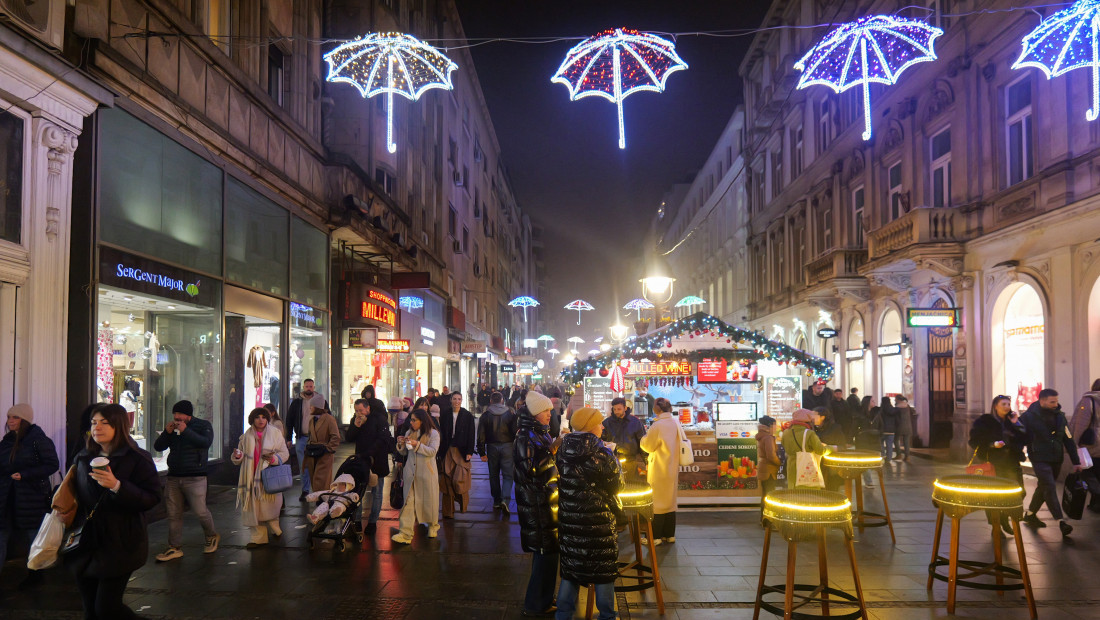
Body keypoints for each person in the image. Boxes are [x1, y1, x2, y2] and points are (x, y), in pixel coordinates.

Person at [65, 404, 161, 619]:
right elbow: (74, 493)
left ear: (119, 426)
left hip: (121, 542)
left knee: (107, 608)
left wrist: (117, 486)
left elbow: (152, 497)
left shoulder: (137, 458)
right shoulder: (83, 456)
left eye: (104, 422)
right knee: (90, 609)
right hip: (85, 541)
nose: (97, 427)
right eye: (93, 422)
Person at [555, 407, 623, 620]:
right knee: (602, 570)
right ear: (590, 426)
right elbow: (616, 486)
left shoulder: (563, 450)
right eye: (599, 423)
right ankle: (606, 615)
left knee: (571, 568)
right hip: (598, 520)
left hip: (570, 520)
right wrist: (614, 459)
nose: (602, 426)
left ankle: (563, 614)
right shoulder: (602, 454)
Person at [152, 400, 218, 562]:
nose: (177, 417)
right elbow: (158, 447)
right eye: (175, 414)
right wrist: (166, 433)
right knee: (174, 514)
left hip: (195, 476)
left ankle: (211, 536)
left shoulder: (203, 425)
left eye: (180, 414)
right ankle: (174, 547)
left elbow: (205, 442)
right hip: (174, 476)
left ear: (188, 415)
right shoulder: (173, 428)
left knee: (200, 511)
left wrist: (186, 431)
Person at [0, 404, 58, 585]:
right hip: (7, 497)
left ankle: (35, 574)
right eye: (9, 417)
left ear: (24, 420)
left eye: (15, 417)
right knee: (2, 535)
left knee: (34, 536)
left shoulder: (37, 439)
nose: (10, 421)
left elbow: (52, 464)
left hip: (31, 497)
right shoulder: (7, 441)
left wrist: (25, 474)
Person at [514, 392, 559, 617]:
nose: (550, 414)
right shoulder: (525, 436)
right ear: (534, 413)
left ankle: (544, 598)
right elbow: (530, 469)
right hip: (537, 505)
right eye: (545, 411)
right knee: (544, 554)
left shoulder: (540, 433)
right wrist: (553, 450)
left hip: (545, 502)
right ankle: (535, 604)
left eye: (550, 410)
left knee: (548, 554)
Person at [1020, 389, 1082, 537]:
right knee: (1049, 486)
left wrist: (1076, 461)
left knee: (1044, 486)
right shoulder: (1028, 417)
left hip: (1056, 458)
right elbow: (1018, 435)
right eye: (1052, 402)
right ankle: (1061, 521)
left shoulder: (1060, 416)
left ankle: (1030, 515)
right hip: (1038, 457)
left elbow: (1068, 439)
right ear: (1042, 401)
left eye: (1056, 401)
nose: (1055, 404)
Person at [231, 407, 289, 547]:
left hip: (269, 475)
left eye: (263, 417)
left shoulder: (275, 433)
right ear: (252, 419)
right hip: (250, 477)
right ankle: (258, 537)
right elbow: (240, 455)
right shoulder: (246, 436)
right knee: (253, 508)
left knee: (270, 507)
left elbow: (284, 453)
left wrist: (273, 459)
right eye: (257, 417)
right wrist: (238, 456)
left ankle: (274, 526)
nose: (261, 420)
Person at [969, 395, 1027, 535]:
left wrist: (1017, 424)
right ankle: (996, 526)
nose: (1007, 407)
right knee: (993, 496)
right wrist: (992, 445)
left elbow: (1025, 439)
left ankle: (1004, 518)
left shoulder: (1012, 421)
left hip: (1012, 462)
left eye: (1008, 404)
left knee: (1018, 493)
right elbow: (974, 441)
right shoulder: (985, 421)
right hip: (993, 463)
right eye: (1003, 404)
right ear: (995, 406)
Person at [345, 397, 394, 534]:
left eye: (361, 410)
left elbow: (382, 440)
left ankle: (372, 522)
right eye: (356, 410)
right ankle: (357, 521)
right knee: (358, 491)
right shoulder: (356, 420)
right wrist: (356, 426)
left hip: (377, 461)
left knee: (377, 492)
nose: (358, 413)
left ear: (368, 408)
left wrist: (368, 453)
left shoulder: (379, 419)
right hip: (361, 461)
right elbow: (348, 438)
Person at [392, 409, 441, 543]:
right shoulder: (409, 433)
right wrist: (401, 445)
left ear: (422, 421)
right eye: (411, 420)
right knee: (408, 502)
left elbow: (432, 451)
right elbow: (406, 453)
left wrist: (417, 444)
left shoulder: (433, 434)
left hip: (427, 474)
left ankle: (433, 526)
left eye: (414, 420)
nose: (411, 422)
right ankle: (405, 533)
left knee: (429, 502)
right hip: (411, 473)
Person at [640, 397, 679, 545]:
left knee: (657, 501)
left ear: (658, 408)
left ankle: (655, 537)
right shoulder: (675, 423)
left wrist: (643, 438)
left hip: (659, 467)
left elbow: (648, 446)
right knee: (670, 500)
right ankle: (669, 534)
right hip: (672, 467)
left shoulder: (657, 425)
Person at [477, 391, 519, 512]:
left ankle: (496, 500)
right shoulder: (510, 413)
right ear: (502, 401)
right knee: (508, 475)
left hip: (492, 447)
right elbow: (515, 432)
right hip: (507, 446)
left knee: (493, 474)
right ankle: (505, 499)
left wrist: (481, 452)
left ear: (491, 401)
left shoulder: (486, 415)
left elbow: (481, 435)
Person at [439, 392, 476, 518]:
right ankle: (448, 511)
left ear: (462, 400)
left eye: (459, 399)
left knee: (460, 479)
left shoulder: (467, 415)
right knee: (446, 479)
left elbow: (471, 434)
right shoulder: (445, 414)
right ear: (451, 400)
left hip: (461, 450)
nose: (456, 401)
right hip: (447, 449)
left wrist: (470, 451)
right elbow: (441, 433)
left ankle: (461, 504)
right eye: (454, 399)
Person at [285, 378, 319, 501]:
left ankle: (317, 491)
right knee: (303, 465)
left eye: (311, 386)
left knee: (316, 465)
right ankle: (305, 490)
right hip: (301, 437)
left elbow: (327, 417)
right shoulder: (297, 403)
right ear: (303, 387)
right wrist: (288, 438)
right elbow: (289, 420)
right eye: (307, 386)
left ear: (314, 387)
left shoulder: (319, 401)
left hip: (316, 439)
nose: (309, 388)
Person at [1069, 379, 1100, 511]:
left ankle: (1097, 498)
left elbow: (1081, 424)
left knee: (1087, 472)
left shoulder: (1089, 400)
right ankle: (1095, 504)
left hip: (1091, 445)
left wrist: (1074, 443)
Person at [303, 395, 341, 493]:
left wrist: (327, 449)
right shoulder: (312, 420)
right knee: (314, 480)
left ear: (317, 407)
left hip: (324, 455)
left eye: (312, 406)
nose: (310, 408)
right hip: (313, 454)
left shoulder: (329, 419)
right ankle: (318, 499)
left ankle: (322, 499)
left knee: (321, 481)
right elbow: (310, 436)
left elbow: (336, 437)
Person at [781, 408, 828, 486]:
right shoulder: (809, 433)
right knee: (806, 491)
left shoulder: (785, 432)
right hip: (805, 468)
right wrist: (831, 448)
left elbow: (784, 445)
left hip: (791, 467)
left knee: (793, 490)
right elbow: (820, 450)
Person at [601, 397, 647, 478]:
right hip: (613, 461)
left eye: (619, 409)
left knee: (631, 483)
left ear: (625, 408)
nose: (616, 412)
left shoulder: (635, 422)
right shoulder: (607, 423)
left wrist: (646, 461)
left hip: (631, 461)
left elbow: (642, 442)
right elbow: (601, 441)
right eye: (614, 409)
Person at [755, 415, 782, 519]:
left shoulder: (762, 436)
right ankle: (767, 519)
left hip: (764, 468)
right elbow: (771, 455)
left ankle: (764, 518)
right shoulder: (768, 438)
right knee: (769, 495)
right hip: (769, 470)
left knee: (765, 494)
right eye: (775, 425)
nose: (776, 427)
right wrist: (778, 463)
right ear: (770, 426)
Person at [893, 396, 916, 461]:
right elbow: (913, 412)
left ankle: (899, 454)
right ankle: (907, 457)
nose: (895, 400)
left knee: (895, 440)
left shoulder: (897, 407)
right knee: (906, 442)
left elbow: (895, 417)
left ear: (898, 400)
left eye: (895, 399)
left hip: (899, 426)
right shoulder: (907, 406)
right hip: (908, 426)